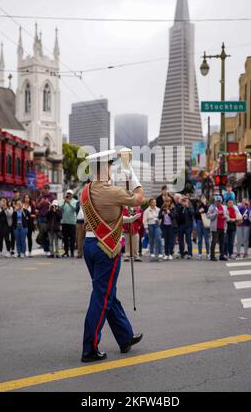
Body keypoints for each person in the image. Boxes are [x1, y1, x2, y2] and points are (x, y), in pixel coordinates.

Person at [80, 149, 144, 363]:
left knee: (107, 293)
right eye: (110, 166)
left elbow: (100, 219)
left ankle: (124, 337)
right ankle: (90, 347)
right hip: (105, 248)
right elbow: (139, 198)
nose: (111, 170)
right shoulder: (113, 191)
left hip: (90, 245)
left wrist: (124, 221)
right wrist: (129, 170)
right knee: (102, 296)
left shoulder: (85, 191)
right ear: (104, 169)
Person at [207, 195, 229, 262]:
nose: (218, 202)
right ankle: (212, 256)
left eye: (219, 201)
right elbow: (208, 215)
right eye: (217, 201)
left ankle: (221, 255)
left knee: (222, 242)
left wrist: (225, 217)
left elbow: (228, 215)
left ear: (221, 201)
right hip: (215, 228)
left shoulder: (224, 207)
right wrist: (215, 214)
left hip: (222, 226)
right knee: (214, 242)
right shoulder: (212, 207)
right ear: (215, 201)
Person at [35, 184, 54, 256]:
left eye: (46, 189)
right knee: (42, 234)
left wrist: (49, 203)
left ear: (48, 190)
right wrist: (41, 202)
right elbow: (36, 207)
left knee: (48, 235)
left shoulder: (52, 197)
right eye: (44, 189)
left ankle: (49, 249)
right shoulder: (40, 197)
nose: (45, 190)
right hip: (41, 217)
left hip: (49, 218)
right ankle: (45, 249)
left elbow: (55, 207)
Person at [176, 196, 194, 260]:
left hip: (188, 226)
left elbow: (192, 213)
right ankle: (181, 253)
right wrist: (179, 202)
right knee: (180, 240)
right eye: (183, 201)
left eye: (185, 201)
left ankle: (190, 254)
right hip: (180, 226)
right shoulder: (179, 206)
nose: (184, 202)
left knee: (188, 240)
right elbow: (176, 211)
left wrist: (187, 206)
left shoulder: (190, 206)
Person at [61, 189, 77, 258]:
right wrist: (64, 202)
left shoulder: (75, 201)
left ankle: (72, 252)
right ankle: (66, 252)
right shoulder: (63, 201)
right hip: (64, 222)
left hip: (72, 222)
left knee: (72, 238)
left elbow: (75, 209)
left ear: (72, 195)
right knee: (65, 238)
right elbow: (60, 208)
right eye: (68, 193)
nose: (68, 195)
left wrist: (69, 203)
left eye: (70, 194)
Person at [195, 195, 210, 261]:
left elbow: (208, 212)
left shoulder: (207, 205)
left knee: (207, 239)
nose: (203, 199)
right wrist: (199, 212)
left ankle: (208, 254)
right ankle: (200, 254)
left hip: (205, 223)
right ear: (200, 199)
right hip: (199, 222)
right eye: (202, 198)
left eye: (204, 198)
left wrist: (204, 204)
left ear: (206, 199)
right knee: (200, 239)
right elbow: (195, 214)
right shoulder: (198, 205)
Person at [10, 188, 21, 255]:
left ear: (18, 193)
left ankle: (19, 250)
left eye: (16, 192)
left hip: (19, 220)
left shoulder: (20, 200)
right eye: (14, 192)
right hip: (13, 219)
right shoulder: (12, 200)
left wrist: (16, 207)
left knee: (19, 236)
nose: (15, 194)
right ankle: (12, 249)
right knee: (12, 235)